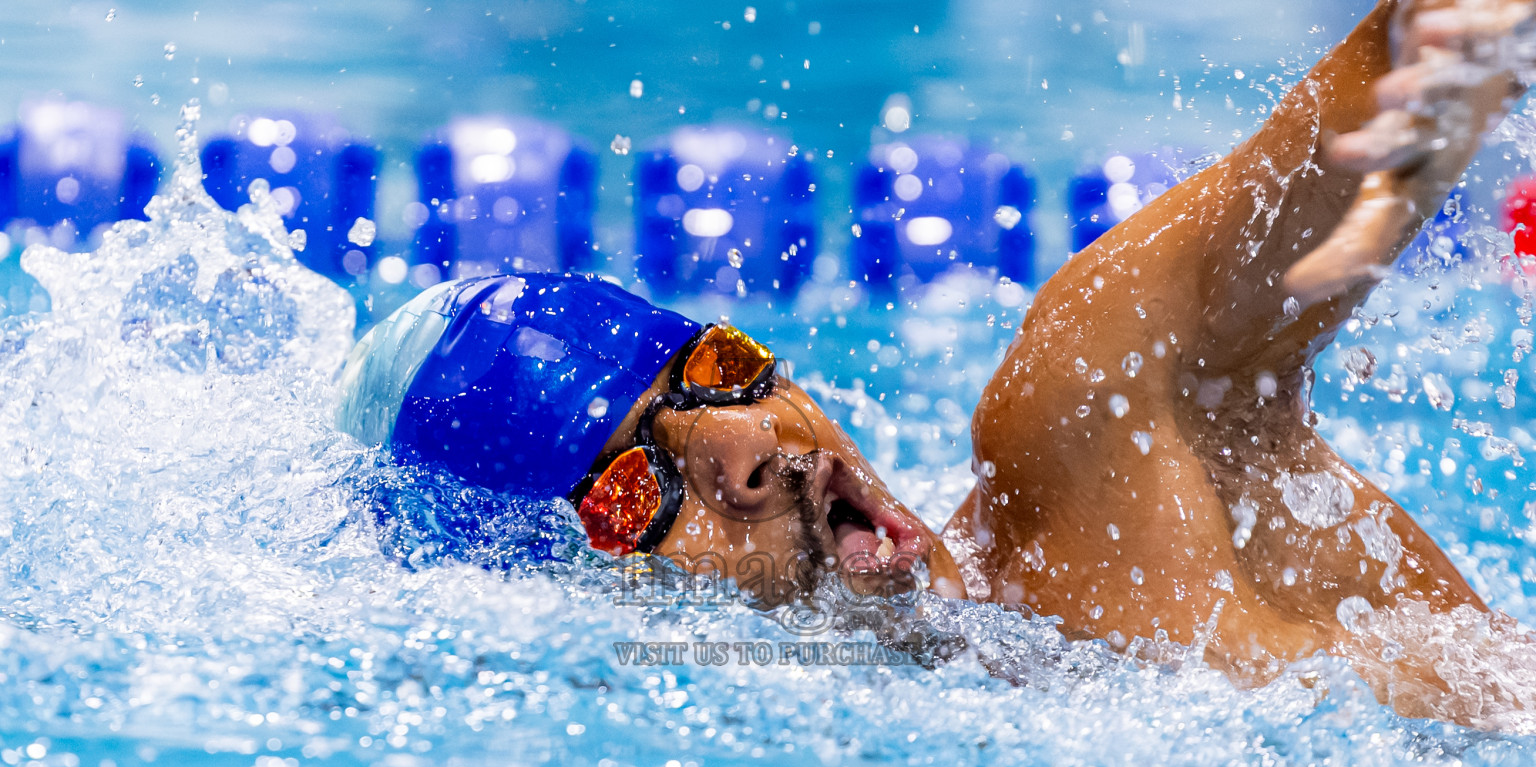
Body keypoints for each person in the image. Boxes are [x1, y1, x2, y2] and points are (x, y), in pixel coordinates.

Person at [337, 0, 1536, 724]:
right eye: (635, 488)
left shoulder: (1092, 416)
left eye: (719, 370)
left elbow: (1393, 89)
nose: (755, 453)